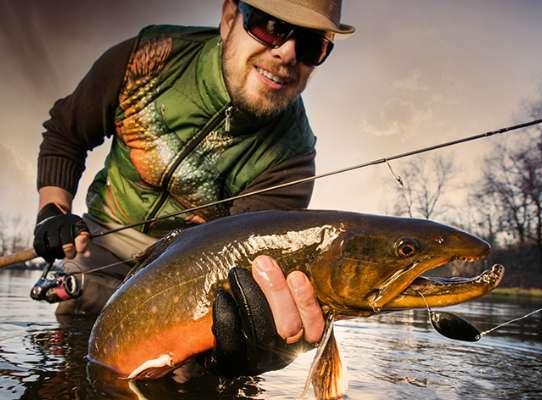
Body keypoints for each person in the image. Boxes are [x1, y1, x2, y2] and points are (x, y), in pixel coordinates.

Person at [33, 0, 354, 377]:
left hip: (197, 270)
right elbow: (66, 133)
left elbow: (244, 261)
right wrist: (52, 210)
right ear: (229, 18)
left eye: (312, 44)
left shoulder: (294, 156)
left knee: (189, 373)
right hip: (101, 241)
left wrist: (240, 345)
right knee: (71, 355)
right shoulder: (147, 57)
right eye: (270, 27)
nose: (287, 53)